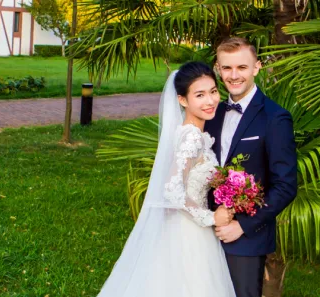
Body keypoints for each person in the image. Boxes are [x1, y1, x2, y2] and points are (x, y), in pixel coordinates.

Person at [97, 61, 237, 297]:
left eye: (213, 91)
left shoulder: (191, 133)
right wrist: (212, 216)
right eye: (200, 95)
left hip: (185, 225)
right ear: (183, 100)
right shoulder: (191, 137)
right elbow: (172, 190)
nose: (210, 100)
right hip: (188, 230)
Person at [206, 37, 299, 297]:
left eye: (242, 68)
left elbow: (285, 186)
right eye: (226, 68)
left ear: (256, 67)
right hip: (205, 233)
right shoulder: (212, 114)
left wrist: (242, 226)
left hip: (247, 239)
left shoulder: (275, 117)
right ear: (218, 69)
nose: (233, 76)